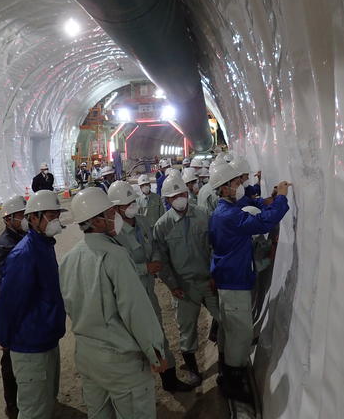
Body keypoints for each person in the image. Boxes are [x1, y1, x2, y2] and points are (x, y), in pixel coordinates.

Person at [61, 187, 167, 418]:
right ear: (97, 221)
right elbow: (135, 309)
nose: (115, 217)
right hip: (120, 361)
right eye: (111, 212)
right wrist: (155, 350)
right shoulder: (115, 256)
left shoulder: (69, 259)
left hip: (88, 359)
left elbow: (70, 307)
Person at [208, 162, 290, 403]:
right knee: (240, 335)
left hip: (229, 278)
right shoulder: (228, 215)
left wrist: (271, 198)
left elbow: (251, 207)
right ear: (224, 189)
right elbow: (263, 222)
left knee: (229, 330)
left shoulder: (225, 211)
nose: (240, 186)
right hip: (235, 283)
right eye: (235, 183)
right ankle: (233, 383)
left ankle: (226, 373)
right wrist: (282, 199)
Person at [108, 181, 193, 393]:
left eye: (132, 201)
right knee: (133, 340)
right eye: (127, 203)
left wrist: (154, 262)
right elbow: (115, 270)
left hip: (148, 290)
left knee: (157, 332)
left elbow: (154, 245)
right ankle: (138, 386)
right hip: (128, 294)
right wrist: (145, 267)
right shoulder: (114, 234)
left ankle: (169, 379)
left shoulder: (143, 222)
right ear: (116, 208)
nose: (132, 206)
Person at [0, 190, 66, 419]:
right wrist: (5, 340)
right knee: (34, 410)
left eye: (57, 214)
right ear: (33, 218)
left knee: (46, 402)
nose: (56, 219)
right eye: (50, 215)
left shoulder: (45, 245)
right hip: (30, 346)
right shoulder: (23, 255)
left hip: (47, 339)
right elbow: (8, 304)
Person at [153, 174, 223, 385]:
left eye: (182, 193)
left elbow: (215, 247)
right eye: (174, 196)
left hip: (208, 281)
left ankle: (226, 364)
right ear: (167, 200)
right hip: (184, 286)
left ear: (187, 193)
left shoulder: (203, 215)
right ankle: (193, 369)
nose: (180, 198)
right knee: (187, 329)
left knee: (224, 320)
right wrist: (173, 286)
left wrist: (215, 273)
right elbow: (161, 260)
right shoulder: (162, 226)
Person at [0, 195, 28, 419]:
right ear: (8, 219)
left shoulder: (23, 237)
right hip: (14, 311)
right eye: (21, 216)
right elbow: (9, 286)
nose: (25, 219)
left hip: (24, 309)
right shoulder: (4, 247)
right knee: (11, 360)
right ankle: (12, 405)